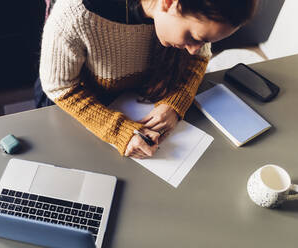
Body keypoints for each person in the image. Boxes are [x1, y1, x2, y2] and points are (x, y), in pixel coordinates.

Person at [36, 0, 258, 159]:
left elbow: (198, 59)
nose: (193, 50)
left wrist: (176, 102)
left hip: (142, 94)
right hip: (80, 101)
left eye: (205, 40)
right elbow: (59, 86)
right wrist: (117, 130)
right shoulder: (75, 14)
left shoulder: (193, 13)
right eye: (193, 37)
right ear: (169, 3)